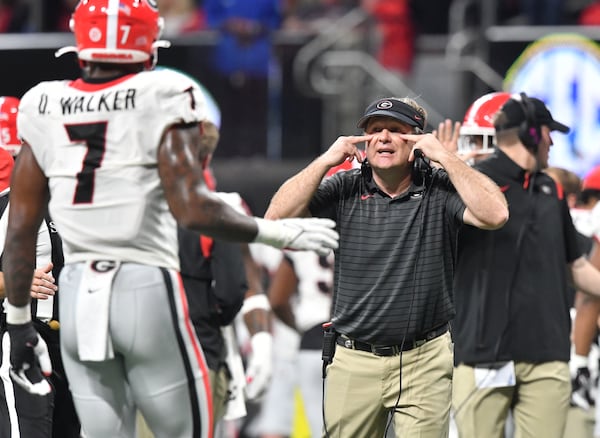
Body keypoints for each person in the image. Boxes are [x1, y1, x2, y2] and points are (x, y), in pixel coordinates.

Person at [1, 2, 339, 438]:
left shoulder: (41, 103)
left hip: (78, 292)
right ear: (149, 49)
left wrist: (17, 322)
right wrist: (276, 231)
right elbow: (192, 206)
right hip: (143, 284)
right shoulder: (164, 95)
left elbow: (21, 223)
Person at [264, 96, 509, 437]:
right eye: (375, 130)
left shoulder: (439, 188)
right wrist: (325, 161)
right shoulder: (345, 187)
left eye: (396, 130)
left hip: (424, 356)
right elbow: (275, 218)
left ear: (416, 141)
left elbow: (495, 214)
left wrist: (446, 157)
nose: (383, 137)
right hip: (354, 357)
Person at [451, 92, 600, 438]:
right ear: (532, 134)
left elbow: (574, 266)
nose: (553, 143)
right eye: (549, 133)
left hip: (547, 355)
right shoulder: (473, 186)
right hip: (483, 353)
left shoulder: (552, 189)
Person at [0, 98, 81, 438]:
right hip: (16, 336)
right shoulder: (10, 196)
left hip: (69, 343)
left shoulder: (63, 192)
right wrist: (12, 283)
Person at [268, 249, 334, 437]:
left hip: (313, 340)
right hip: (355, 340)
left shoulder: (302, 235)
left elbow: (277, 300)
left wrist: (300, 328)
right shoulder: (358, 226)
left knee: (320, 429)